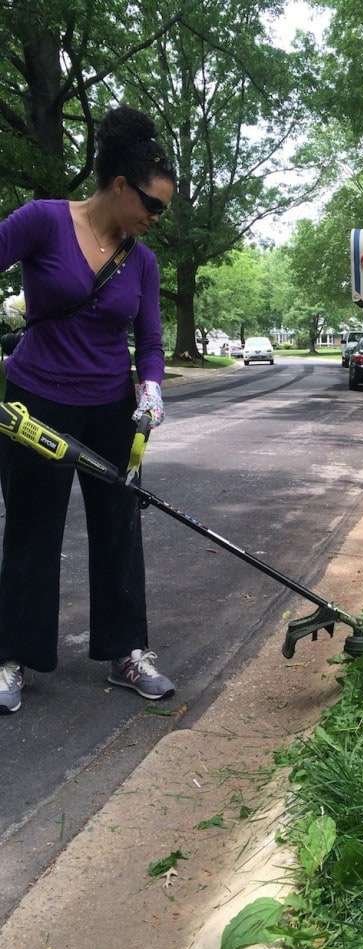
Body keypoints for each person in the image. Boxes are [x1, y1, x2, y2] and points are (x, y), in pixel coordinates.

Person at [0, 105, 177, 713]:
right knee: (31, 529)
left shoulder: (143, 261)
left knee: (119, 529)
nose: (156, 220)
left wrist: (151, 386)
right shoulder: (42, 222)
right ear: (120, 186)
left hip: (111, 408)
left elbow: (150, 342)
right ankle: (11, 658)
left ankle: (127, 652)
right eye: (151, 206)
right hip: (36, 401)